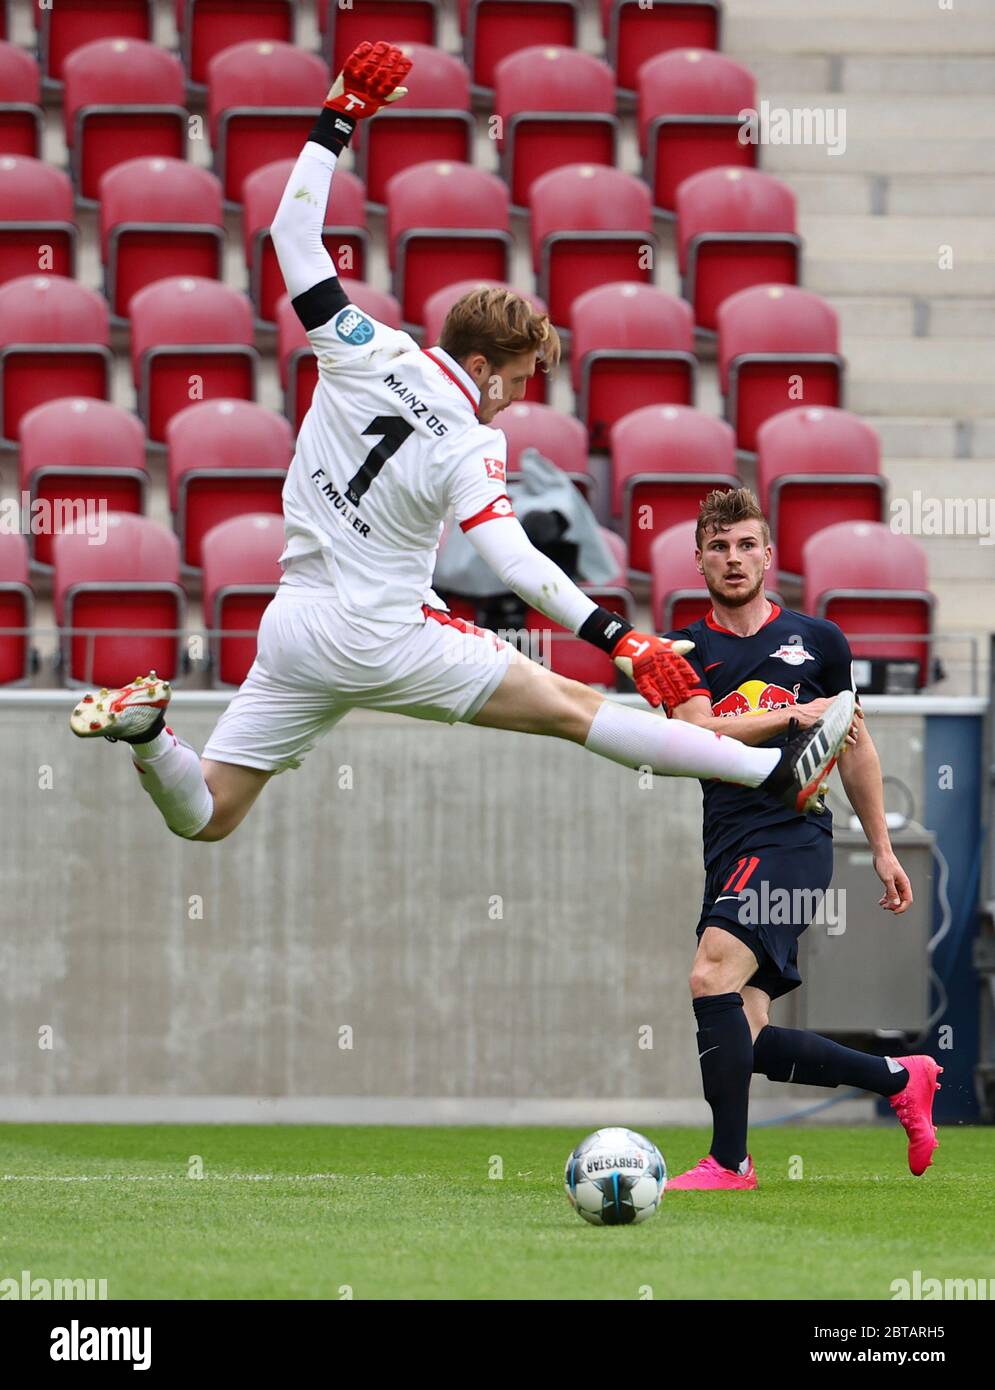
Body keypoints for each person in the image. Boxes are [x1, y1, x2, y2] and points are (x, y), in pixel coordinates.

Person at [69, 42, 853, 845]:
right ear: (479, 364)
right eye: (513, 378)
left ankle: (149, 734)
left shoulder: (361, 344)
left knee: (207, 814)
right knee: (576, 709)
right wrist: (620, 639)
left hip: (296, 625)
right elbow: (513, 563)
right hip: (384, 633)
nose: (514, 398)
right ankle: (774, 771)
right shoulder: (468, 441)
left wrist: (337, 117)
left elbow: (288, 232)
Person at [662, 488, 940, 1190]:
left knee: (708, 975)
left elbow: (854, 746)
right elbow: (690, 734)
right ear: (697, 559)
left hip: (791, 839)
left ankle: (729, 1163)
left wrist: (879, 848)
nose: (733, 558)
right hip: (727, 842)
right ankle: (898, 1076)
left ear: (767, 555)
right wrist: (787, 718)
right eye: (718, 547)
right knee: (743, 1034)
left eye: (745, 544)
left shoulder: (818, 641)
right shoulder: (682, 648)